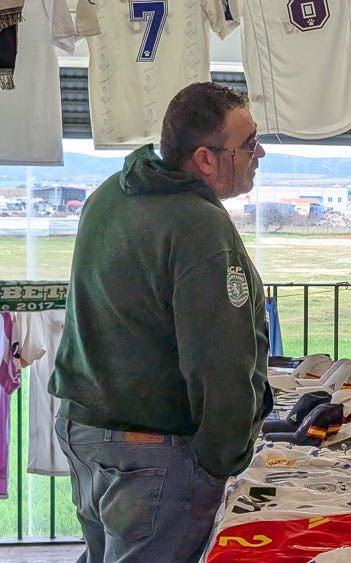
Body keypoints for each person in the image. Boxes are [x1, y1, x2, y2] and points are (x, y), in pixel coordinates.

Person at [50, 82, 272, 562]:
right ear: (206, 158)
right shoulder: (199, 226)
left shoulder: (110, 195)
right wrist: (221, 460)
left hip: (85, 430)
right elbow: (220, 359)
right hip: (153, 447)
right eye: (249, 143)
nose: (260, 153)